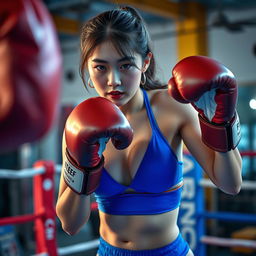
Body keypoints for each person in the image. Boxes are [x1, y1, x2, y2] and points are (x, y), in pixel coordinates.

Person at [56, 5, 242, 256]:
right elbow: (70, 224)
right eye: (100, 67)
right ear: (88, 67)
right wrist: (83, 169)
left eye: (125, 66)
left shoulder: (172, 108)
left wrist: (220, 122)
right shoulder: (79, 123)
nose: (114, 81)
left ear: (145, 62)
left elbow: (231, 184)